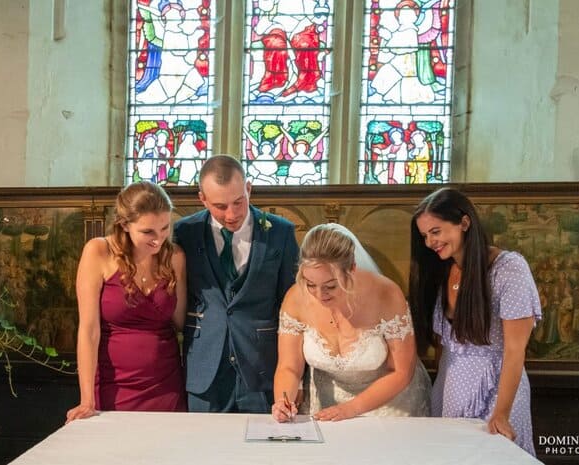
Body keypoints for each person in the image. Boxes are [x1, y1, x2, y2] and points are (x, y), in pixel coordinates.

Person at [409, 187, 541, 455]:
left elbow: (515, 351)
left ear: (464, 222)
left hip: (496, 389)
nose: (429, 242)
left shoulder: (508, 269)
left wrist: (501, 413)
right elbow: (445, 346)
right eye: (425, 236)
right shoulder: (443, 270)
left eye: (436, 232)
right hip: (451, 385)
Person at [173, 155, 299, 413]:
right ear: (202, 199)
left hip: (261, 368)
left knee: (261, 451)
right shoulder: (184, 233)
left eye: (239, 202)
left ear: (249, 189)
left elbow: (291, 305)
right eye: (220, 206)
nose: (231, 214)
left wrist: (295, 374)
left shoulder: (280, 233)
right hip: (205, 368)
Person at [272, 223, 431, 422]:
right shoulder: (295, 298)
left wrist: (351, 408)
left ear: (352, 269)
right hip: (326, 405)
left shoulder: (387, 295)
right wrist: (283, 400)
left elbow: (401, 372)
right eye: (311, 284)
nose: (320, 295)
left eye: (330, 286)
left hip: (388, 405)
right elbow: (289, 367)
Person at [66, 181, 188, 422]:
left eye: (165, 228)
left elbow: (181, 323)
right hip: (115, 384)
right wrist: (86, 399)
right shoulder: (98, 252)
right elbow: (89, 331)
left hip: (166, 385)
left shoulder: (175, 257)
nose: (159, 239)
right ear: (124, 224)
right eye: (148, 232)